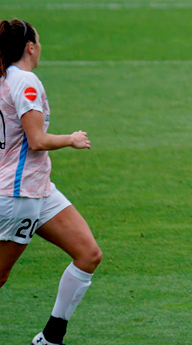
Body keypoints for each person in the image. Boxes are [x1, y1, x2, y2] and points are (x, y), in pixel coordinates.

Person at [0, 19, 100, 345]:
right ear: (30, 47)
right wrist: (71, 139)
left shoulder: (5, 79)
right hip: (19, 193)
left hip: (39, 188)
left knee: (88, 253)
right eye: (39, 41)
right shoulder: (25, 81)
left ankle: (51, 338)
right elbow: (37, 140)